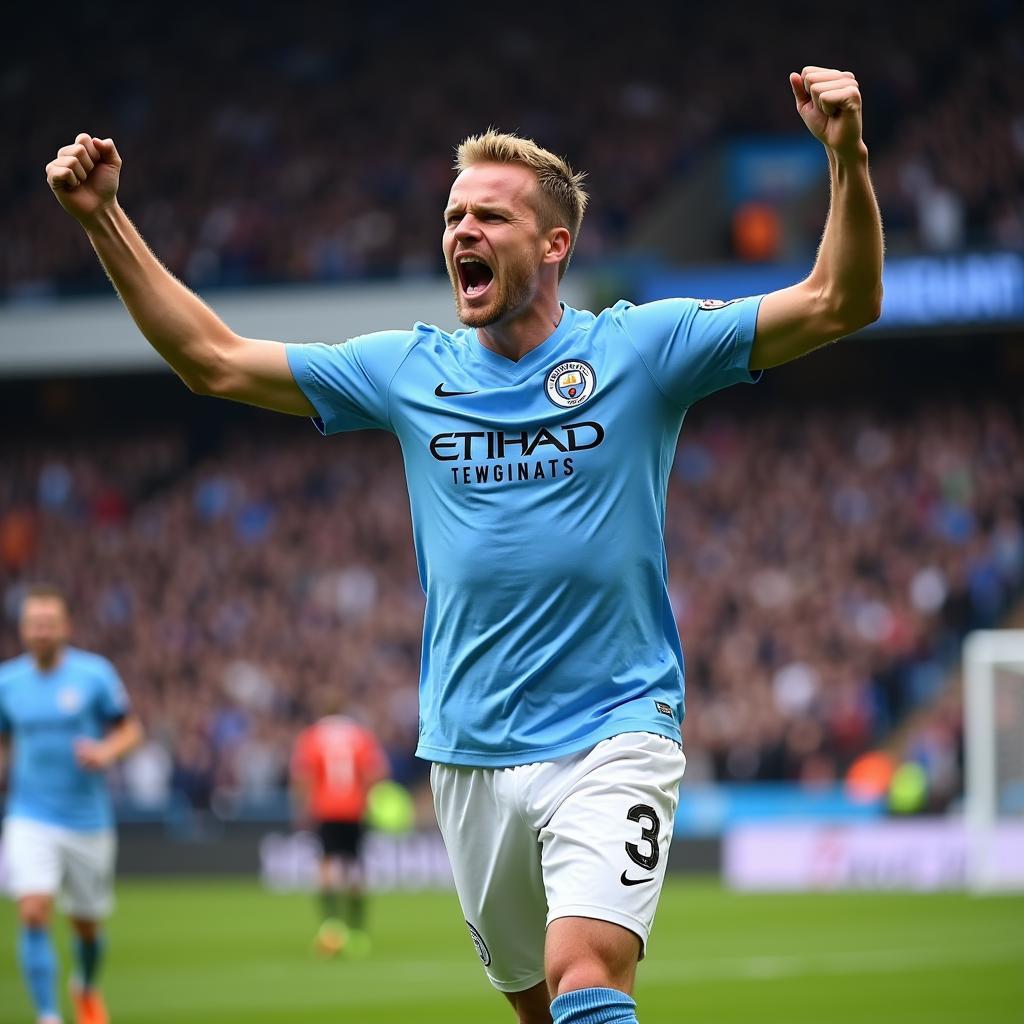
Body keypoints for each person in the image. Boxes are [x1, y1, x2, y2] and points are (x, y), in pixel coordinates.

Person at [44, 65, 883, 1024]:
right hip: (468, 750)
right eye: (452, 218)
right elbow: (215, 361)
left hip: (615, 730)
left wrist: (846, 156)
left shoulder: (641, 350)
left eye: (488, 216)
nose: (461, 234)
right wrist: (103, 220)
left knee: (589, 975)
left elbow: (837, 302)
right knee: (538, 1009)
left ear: (556, 242)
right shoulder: (406, 369)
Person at [0, 585, 144, 1024]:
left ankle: (85, 985)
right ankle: (47, 1015)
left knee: (87, 925)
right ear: (23, 630)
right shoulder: (7, 682)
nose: (42, 631)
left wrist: (106, 752)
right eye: (34, 624)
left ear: (66, 628)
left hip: (87, 820)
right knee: (33, 909)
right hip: (29, 816)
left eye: (50, 623)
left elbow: (130, 730)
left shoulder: (94, 675)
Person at [290, 709, 389, 957]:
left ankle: (331, 927)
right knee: (355, 869)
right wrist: (367, 799)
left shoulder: (311, 736)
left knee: (325, 866)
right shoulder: (360, 735)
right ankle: (357, 933)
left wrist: (302, 807)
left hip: (325, 809)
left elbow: (303, 775)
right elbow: (377, 772)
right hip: (355, 809)